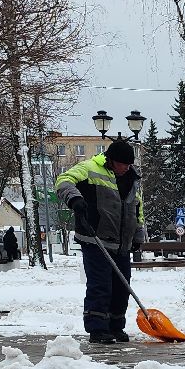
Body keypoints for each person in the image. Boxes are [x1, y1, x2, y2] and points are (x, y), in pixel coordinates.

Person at [56, 138, 146, 344]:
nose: (126, 168)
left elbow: (136, 207)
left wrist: (138, 234)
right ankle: (97, 329)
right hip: (95, 238)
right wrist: (75, 199)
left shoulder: (132, 178)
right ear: (111, 160)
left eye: (128, 164)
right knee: (101, 285)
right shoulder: (90, 168)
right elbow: (63, 180)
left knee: (122, 287)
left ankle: (115, 326)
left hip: (122, 242)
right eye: (122, 164)